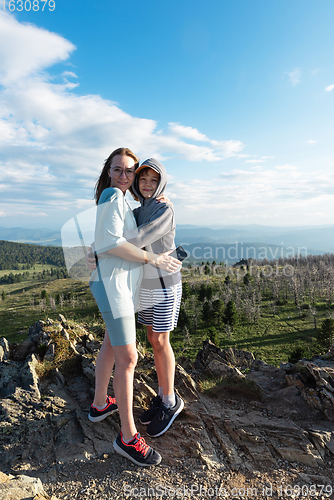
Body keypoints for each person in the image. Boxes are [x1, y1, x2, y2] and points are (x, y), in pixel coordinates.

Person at [87, 147, 180, 467]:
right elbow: (114, 241)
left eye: (130, 171)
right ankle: (127, 438)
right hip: (115, 289)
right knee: (129, 358)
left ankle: (100, 405)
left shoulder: (124, 202)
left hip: (114, 285)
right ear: (109, 172)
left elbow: (108, 237)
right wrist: (152, 257)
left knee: (111, 346)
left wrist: (97, 249)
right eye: (119, 170)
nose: (125, 176)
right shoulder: (114, 196)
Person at [124, 158, 184, 438]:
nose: (147, 185)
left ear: (161, 183)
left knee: (160, 340)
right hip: (145, 284)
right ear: (137, 183)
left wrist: (107, 246)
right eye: (143, 180)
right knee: (152, 339)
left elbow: (138, 237)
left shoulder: (164, 209)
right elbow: (124, 229)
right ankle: (162, 395)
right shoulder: (140, 209)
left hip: (164, 283)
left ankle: (171, 402)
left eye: (153, 180)